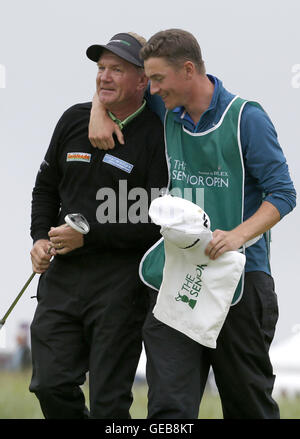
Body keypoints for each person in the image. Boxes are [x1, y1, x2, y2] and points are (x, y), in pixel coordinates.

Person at [88, 29, 296, 419]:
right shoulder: (164, 106)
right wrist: (98, 109)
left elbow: (283, 194)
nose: (151, 87)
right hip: (176, 278)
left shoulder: (246, 118)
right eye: (148, 79)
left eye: (158, 79)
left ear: (188, 70)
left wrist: (237, 236)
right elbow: (115, 77)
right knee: (168, 409)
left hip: (242, 281)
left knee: (247, 406)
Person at [29, 32, 168, 419]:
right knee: (49, 384)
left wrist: (89, 234)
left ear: (143, 80)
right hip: (62, 278)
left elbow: (157, 221)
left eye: (117, 70)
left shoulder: (156, 136)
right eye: (101, 68)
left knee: (108, 405)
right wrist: (40, 237)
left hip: (120, 287)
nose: (104, 77)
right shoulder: (74, 119)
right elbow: (45, 187)